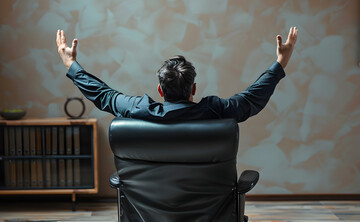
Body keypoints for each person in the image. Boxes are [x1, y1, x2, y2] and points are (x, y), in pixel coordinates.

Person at [56, 27, 298, 122]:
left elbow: (104, 96)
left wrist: (72, 64)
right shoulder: (216, 110)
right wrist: (280, 62)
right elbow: (251, 99)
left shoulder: (138, 109)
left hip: (152, 207)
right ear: (193, 88)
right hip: (204, 206)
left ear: (160, 90)